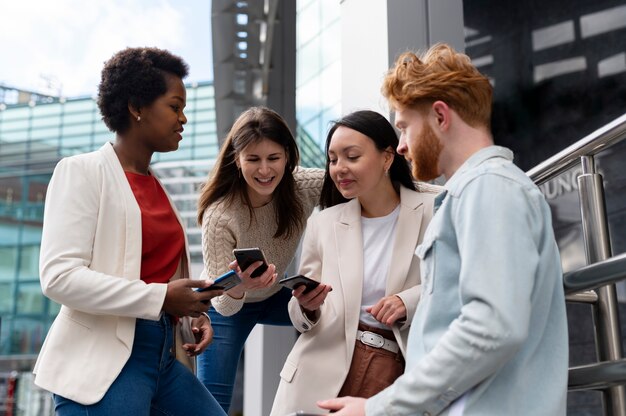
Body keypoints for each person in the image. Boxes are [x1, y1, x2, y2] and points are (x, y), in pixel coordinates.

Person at [318, 44, 568, 415]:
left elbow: (493, 326)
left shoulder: (489, 188)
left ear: (439, 116)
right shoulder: (474, 192)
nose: (401, 146)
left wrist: (379, 409)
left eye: (403, 127)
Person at [34, 47, 226, 416]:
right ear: (137, 106)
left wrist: (191, 314)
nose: (183, 119)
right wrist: (161, 299)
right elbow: (58, 278)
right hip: (104, 365)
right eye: (174, 106)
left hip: (164, 357)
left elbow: (156, 275)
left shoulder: (159, 188)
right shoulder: (82, 172)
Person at [270, 110, 440, 416]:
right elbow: (299, 316)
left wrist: (408, 301)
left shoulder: (432, 211)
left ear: (388, 158)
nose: (339, 169)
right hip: (317, 373)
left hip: (394, 371)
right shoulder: (324, 223)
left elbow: (453, 284)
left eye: (352, 156)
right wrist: (308, 305)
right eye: (333, 159)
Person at [196, 106, 325, 412]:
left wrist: (449, 193)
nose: (265, 170)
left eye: (273, 158)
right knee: (211, 405)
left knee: (339, 311)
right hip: (226, 306)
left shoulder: (301, 185)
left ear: (287, 156)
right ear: (237, 160)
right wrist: (239, 285)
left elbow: (362, 182)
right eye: (253, 159)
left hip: (275, 295)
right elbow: (224, 304)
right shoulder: (220, 215)